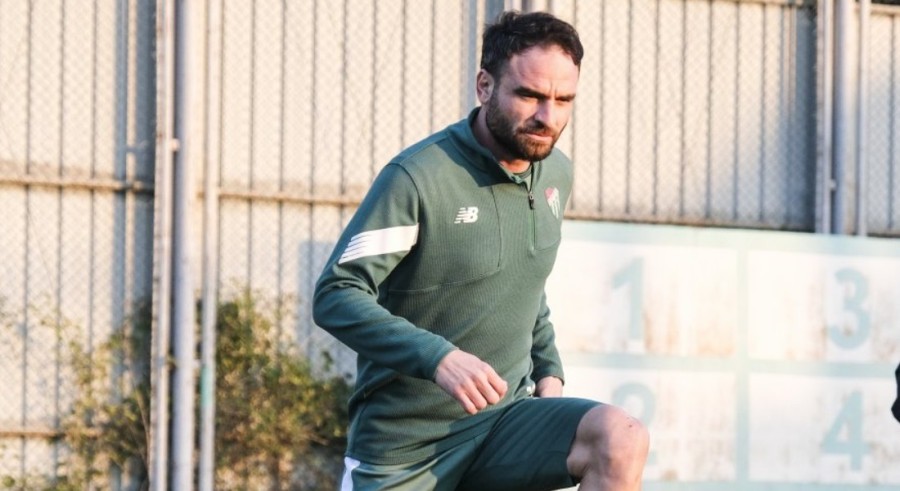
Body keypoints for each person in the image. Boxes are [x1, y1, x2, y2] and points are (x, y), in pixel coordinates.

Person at [313, 11, 649, 491]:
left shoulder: (556, 174)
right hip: (407, 450)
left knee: (620, 438)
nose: (548, 117)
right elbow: (337, 293)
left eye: (563, 100)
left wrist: (549, 370)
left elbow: (525, 281)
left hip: (503, 425)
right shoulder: (417, 179)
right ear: (484, 86)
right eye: (529, 95)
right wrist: (439, 358)